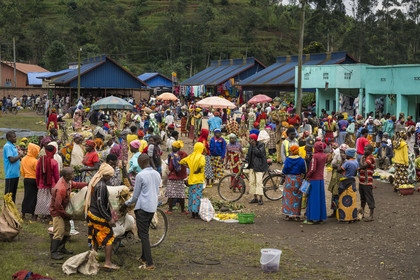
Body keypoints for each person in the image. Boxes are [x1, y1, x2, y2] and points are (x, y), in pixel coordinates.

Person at [124, 154, 161, 270]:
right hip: (152, 207)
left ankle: (149, 263)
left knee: (143, 235)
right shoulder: (156, 173)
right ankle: (143, 257)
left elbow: (135, 197)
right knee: (144, 232)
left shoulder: (140, 175)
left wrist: (125, 203)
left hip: (142, 208)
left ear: (140, 162)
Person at [84, 163, 119, 270]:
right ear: (105, 175)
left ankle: (92, 262)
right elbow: (100, 205)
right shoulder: (101, 186)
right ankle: (108, 263)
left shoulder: (94, 182)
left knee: (94, 237)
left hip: (92, 214)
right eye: (110, 176)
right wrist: (109, 219)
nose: (111, 178)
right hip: (97, 216)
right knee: (109, 237)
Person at [50, 167, 86, 260]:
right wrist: (66, 215)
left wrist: (87, 184)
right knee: (59, 231)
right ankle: (54, 252)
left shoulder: (68, 182)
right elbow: (57, 206)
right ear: (66, 176)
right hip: (58, 212)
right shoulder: (61, 188)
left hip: (64, 210)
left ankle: (62, 248)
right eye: (72, 174)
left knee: (67, 230)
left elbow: (76, 184)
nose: (73, 175)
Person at [180, 143, 206, 218]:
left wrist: (189, 166)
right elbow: (202, 164)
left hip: (191, 179)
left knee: (191, 196)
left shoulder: (191, 156)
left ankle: (192, 213)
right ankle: (196, 213)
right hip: (198, 179)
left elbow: (182, 161)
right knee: (197, 196)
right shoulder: (201, 157)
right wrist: (198, 169)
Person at [281, 145, 306, 221]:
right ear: (298, 151)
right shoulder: (302, 160)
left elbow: (284, 170)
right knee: (297, 197)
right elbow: (304, 170)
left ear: (291, 152)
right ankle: (296, 216)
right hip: (298, 180)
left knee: (288, 197)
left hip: (289, 180)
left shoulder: (287, 160)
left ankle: (288, 215)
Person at [305, 141, 327, 224]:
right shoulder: (324, 156)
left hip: (314, 179)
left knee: (313, 198)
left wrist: (308, 175)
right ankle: (321, 217)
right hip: (321, 179)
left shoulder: (315, 156)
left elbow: (312, 169)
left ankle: (312, 217)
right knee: (321, 198)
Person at [35, 145, 60, 218]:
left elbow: (37, 174)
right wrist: (57, 184)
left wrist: (37, 183)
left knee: (41, 200)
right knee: (51, 200)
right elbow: (56, 176)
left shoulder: (41, 160)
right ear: (54, 151)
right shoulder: (54, 162)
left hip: (42, 184)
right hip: (52, 184)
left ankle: (40, 215)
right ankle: (50, 215)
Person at [166, 141, 188, 214]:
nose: (172, 148)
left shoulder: (173, 155)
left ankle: (170, 210)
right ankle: (183, 210)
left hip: (173, 176)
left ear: (176, 148)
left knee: (171, 194)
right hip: (181, 177)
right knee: (181, 194)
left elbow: (171, 167)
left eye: (173, 146)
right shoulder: (184, 154)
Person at [337, 148, 359, 222]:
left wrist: (341, 162)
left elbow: (339, 170)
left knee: (344, 199)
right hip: (352, 181)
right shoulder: (356, 162)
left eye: (345, 154)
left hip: (345, 182)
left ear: (348, 155)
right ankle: (352, 217)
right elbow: (355, 173)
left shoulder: (347, 163)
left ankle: (345, 217)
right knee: (352, 200)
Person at [246, 134, 268, 205]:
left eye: (250, 139)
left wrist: (255, 146)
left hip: (259, 167)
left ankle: (260, 199)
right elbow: (248, 155)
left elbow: (259, 153)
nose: (249, 140)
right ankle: (255, 198)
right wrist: (246, 160)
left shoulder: (261, 145)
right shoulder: (250, 146)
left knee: (259, 183)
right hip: (252, 167)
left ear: (254, 139)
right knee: (252, 182)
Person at [20, 143, 40, 220]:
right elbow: (37, 172)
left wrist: (26, 176)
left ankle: (23, 213)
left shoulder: (23, 159)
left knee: (26, 196)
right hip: (34, 180)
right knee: (34, 197)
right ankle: (33, 214)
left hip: (26, 179)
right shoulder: (35, 161)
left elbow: (22, 171)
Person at [328, 143, 348, 218]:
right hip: (336, 177)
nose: (341, 153)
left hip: (343, 178)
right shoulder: (336, 155)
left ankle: (341, 212)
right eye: (341, 151)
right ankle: (334, 211)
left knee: (342, 194)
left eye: (343, 152)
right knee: (335, 194)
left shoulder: (348, 158)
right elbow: (333, 165)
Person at [3, 131, 24, 202]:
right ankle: (7, 211)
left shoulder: (13, 146)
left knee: (13, 195)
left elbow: (16, 158)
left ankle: (12, 210)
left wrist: (20, 155)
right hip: (10, 174)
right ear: (9, 138)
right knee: (8, 195)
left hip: (15, 174)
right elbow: (11, 159)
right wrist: (20, 155)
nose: (16, 138)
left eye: (15, 136)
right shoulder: (7, 146)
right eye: (14, 137)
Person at [359, 144, 375, 222]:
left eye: (366, 150)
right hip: (362, 181)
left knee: (369, 198)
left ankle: (371, 215)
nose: (364, 151)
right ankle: (362, 214)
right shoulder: (365, 157)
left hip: (367, 182)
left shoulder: (371, 158)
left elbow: (363, 166)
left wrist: (361, 159)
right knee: (362, 199)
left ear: (370, 151)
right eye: (364, 150)